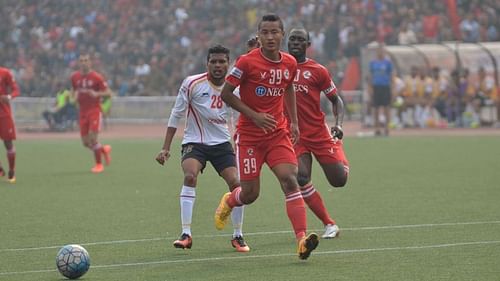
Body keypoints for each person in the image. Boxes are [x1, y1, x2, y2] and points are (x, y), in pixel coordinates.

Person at [214, 14, 319, 260]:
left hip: (277, 133)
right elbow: (227, 95)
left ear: (282, 34)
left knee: (290, 179)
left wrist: (293, 121)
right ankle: (230, 201)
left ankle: (301, 240)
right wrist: (255, 116)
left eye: (275, 32)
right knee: (250, 195)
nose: (270, 37)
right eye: (265, 33)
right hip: (250, 137)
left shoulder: (290, 63)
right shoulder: (246, 62)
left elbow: (289, 86)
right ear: (259, 36)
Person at [155, 45, 249, 252]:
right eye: (213, 61)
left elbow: (244, 115)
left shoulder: (236, 88)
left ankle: (238, 235)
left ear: (228, 64)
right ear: (207, 63)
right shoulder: (192, 83)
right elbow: (176, 114)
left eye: (222, 61)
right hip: (194, 142)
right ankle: (186, 234)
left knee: (237, 184)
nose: (217, 65)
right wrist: (165, 147)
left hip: (222, 143)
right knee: (190, 176)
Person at [287, 28, 349, 239]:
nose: (295, 43)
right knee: (301, 177)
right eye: (292, 39)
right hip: (295, 135)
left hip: (319, 133)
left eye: (300, 40)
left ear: (308, 44)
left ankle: (337, 149)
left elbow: (336, 100)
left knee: (339, 181)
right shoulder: (280, 69)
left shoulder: (317, 70)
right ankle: (329, 224)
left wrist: (338, 125)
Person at [70, 54, 112, 173]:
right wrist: (73, 97)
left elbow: (108, 93)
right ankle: (103, 150)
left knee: (93, 139)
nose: (84, 62)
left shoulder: (97, 77)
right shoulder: (74, 77)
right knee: (85, 143)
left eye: (86, 60)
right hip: (82, 111)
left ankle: (99, 165)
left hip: (94, 110)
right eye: (81, 60)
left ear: (90, 62)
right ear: (79, 63)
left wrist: (97, 94)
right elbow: (73, 90)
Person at [0, 66, 20, 183]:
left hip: (3, 114)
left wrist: (9, 96)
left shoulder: (5, 72)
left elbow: (16, 90)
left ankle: (11, 170)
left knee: (8, 143)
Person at [368, 44, 393, 136]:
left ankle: (387, 128)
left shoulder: (388, 63)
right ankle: (377, 128)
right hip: (376, 87)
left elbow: (391, 76)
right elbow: (370, 76)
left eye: (382, 51)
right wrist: (370, 88)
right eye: (379, 51)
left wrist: (392, 88)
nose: (380, 53)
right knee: (376, 109)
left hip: (385, 87)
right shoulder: (373, 63)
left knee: (386, 108)